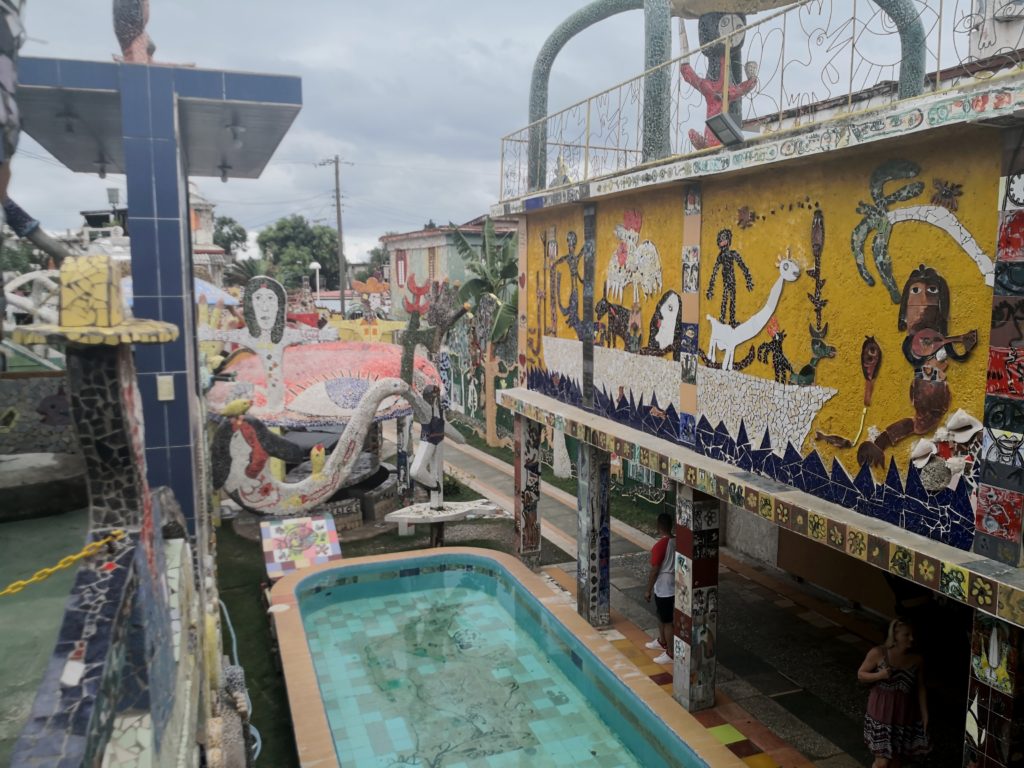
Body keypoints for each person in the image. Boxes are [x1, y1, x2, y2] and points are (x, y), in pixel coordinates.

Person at [857, 618, 930, 767]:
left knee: (896, 760)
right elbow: (861, 675)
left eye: (912, 634)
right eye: (906, 635)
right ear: (895, 635)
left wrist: (924, 714)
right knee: (882, 762)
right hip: (881, 712)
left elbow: (921, 687)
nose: (911, 638)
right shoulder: (879, 653)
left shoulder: (917, 660)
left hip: (903, 714)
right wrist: (879, 675)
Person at [644, 512, 675, 665]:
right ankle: (662, 641)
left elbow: (655, 569)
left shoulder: (661, 545)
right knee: (661, 615)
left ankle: (670, 653)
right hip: (672, 584)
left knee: (667, 621)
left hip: (664, 588)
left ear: (659, 526)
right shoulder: (676, 541)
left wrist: (648, 590)